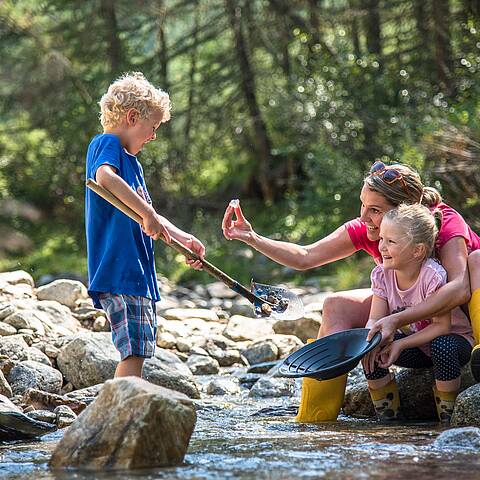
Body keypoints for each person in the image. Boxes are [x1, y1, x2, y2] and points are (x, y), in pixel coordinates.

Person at [222, 161, 480, 422]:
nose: (364, 217)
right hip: (412, 311)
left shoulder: (443, 222)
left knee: (478, 258)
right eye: (363, 205)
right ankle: (315, 419)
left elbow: (459, 290)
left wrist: (397, 321)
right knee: (336, 305)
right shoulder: (368, 229)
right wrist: (252, 237)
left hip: (462, 315)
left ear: (404, 210)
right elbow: (305, 257)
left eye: (375, 210)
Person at [85, 72, 205, 379]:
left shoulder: (133, 164)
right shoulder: (106, 144)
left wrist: (184, 238)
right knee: (134, 352)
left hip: (137, 274)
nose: (153, 136)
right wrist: (148, 212)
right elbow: (104, 178)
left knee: (139, 349)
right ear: (132, 116)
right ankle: (121, 416)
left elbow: (149, 217)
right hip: (121, 270)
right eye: (152, 128)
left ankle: (123, 411)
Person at [361, 204, 473, 424]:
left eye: (390, 242)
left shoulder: (432, 276)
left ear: (417, 250)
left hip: (453, 342)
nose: (382, 247)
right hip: (419, 347)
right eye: (381, 239)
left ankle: (446, 418)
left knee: (443, 345)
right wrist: (368, 340)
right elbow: (375, 318)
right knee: (371, 348)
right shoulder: (382, 275)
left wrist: (401, 344)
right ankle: (389, 417)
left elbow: (441, 326)